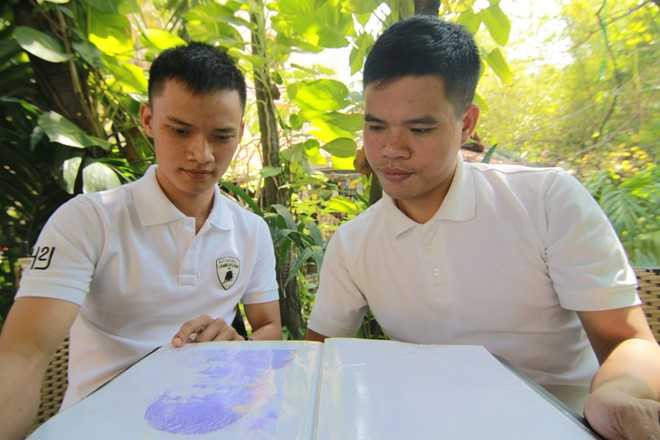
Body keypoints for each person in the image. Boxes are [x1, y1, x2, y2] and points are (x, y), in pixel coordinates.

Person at [305, 16, 659, 440]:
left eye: (419, 128)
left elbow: (627, 340)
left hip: (566, 422)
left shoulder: (546, 201)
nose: (391, 149)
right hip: (428, 427)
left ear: (467, 124)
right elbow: (317, 360)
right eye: (376, 126)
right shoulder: (353, 244)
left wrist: (619, 394)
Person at [0, 42, 281, 440]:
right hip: (99, 426)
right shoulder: (89, 220)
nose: (201, 154)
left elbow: (269, 326)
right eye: (180, 130)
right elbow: (23, 354)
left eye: (221, 136)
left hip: (210, 420)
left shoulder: (250, 231)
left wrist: (238, 345)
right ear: (148, 119)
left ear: (240, 132)